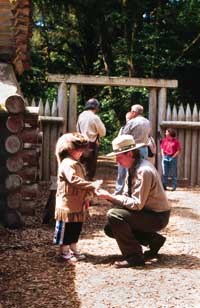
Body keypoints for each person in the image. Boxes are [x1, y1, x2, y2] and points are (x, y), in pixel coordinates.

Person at [96, 134, 171, 268]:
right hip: (147, 213)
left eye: (119, 157)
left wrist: (111, 197)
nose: (117, 161)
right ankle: (154, 240)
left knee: (114, 215)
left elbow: (136, 204)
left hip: (157, 216)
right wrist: (109, 198)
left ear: (129, 154)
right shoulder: (133, 167)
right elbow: (126, 196)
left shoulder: (144, 171)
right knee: (110, 227)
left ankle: (134, 257)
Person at [53, 132, 102, 261]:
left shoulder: (75, 163)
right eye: (79, 150)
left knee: (75, 228)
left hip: (77, 203)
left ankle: (73, 249)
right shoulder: (67, 164)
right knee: (66, 228)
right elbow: (74, 180)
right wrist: (91, 185)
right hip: (67, 204)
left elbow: (80, 181)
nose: (81, 153)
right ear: (70, 150)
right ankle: (64, 252)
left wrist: (87, 197)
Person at [76, 98, 106, 180]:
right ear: (96, 108)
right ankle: (87, 188)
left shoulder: (80, 116)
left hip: (81, 144)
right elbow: (103, 133)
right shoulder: (94, 117)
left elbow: (78, 130)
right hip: (91, 145)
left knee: (81, 168)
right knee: (90, 170)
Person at [114, 111, 133, 195]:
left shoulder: (135, 129)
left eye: (130, 119)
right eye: (127, 119)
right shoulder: (122, 129)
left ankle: (128, 192)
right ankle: (118, 192)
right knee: (121, 174)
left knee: (130, 174)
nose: (128, 121)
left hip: (130, 154)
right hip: (122, 153)